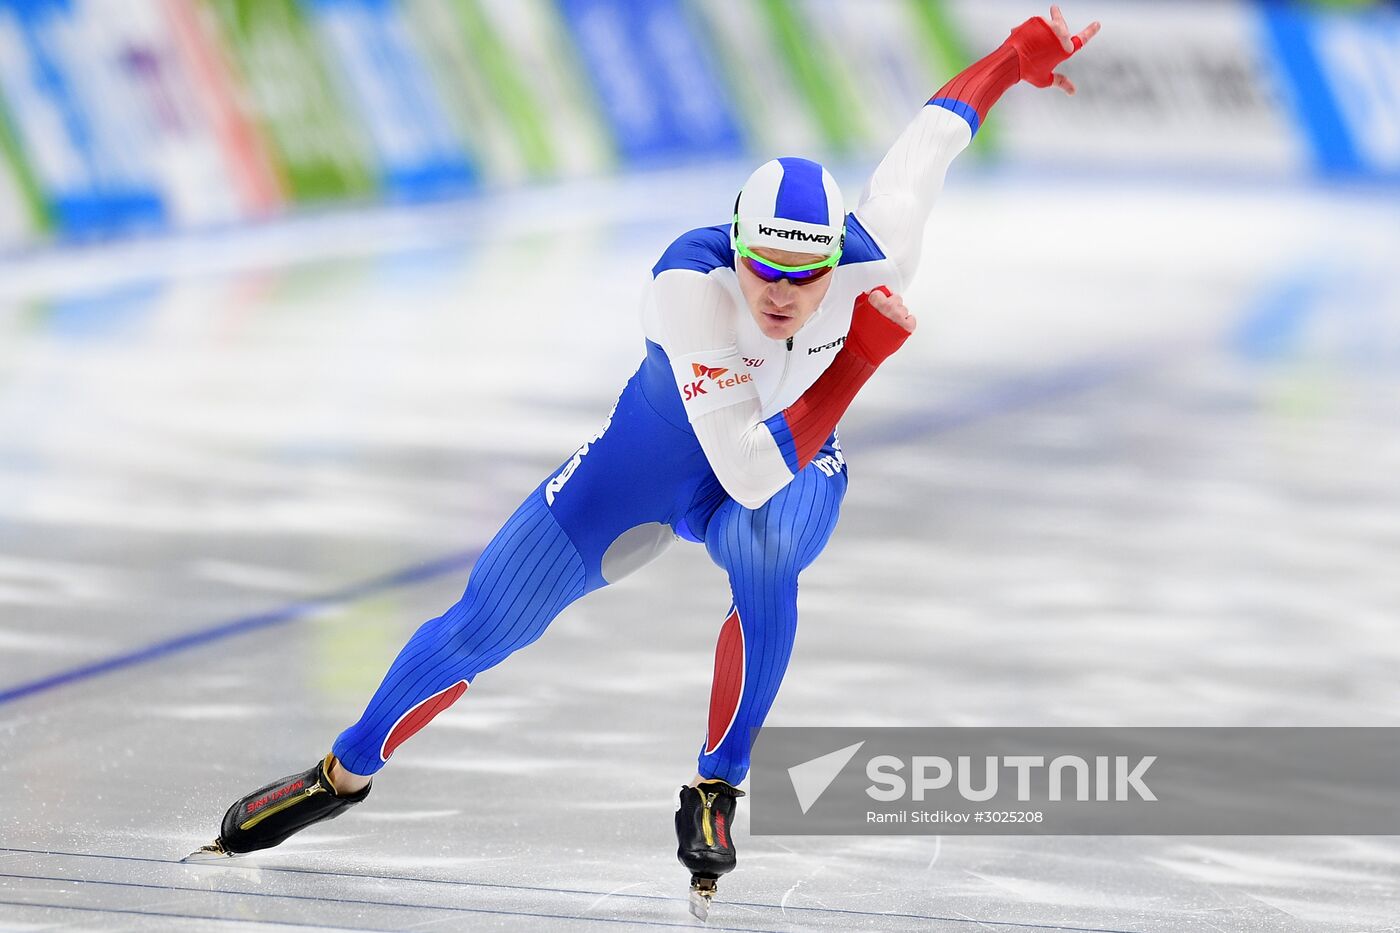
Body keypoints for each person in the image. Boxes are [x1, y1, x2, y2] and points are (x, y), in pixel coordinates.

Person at [189, 4, 1099, 917]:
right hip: (661, 462)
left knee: (767, 536)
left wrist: (1015, 56)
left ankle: (717, 783)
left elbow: (930, 141)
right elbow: (738, 463)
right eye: (764, 270)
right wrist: (858, 358)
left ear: (837, 259)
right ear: (734, 246)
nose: (783, 295)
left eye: (806, 275)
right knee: (485, 621)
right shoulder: (686, 284)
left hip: (789, 465)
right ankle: (339, 774)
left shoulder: (876, 263)